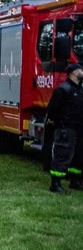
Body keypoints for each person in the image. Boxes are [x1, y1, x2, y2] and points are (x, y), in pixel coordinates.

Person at [46, 62, 83, 194]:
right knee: (62, 155)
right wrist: (55, 122)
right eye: (81, 69)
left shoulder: (79, 89)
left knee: (78, 156)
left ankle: (75, 181)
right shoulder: (63, 89)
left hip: (78, 129)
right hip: (65, 128)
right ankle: (55, 184)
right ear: (74, 72)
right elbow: (52, 109)